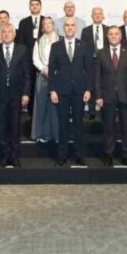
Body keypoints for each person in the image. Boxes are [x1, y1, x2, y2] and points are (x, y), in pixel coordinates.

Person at [47, 18, 92, 167]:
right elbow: (51, 70)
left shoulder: (84, 45)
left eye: (72, 25)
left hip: (79, 91)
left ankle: (80, 155)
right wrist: (52, 90)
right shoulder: (56, 46)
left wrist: (88, 89)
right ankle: (62, 156)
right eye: (67, 25)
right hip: (61, 91)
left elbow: (89, 69)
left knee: (79, 124)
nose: (70, 27)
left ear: (76, 27)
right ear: (63, 28)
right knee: (63, 125)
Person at [94, 26, 127, 166]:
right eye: (111, 34)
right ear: (107, 37)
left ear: (121, 36)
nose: (114, 36)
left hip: (125, 95)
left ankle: (126, 154)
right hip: (107, 95)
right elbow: (97, 77)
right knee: (108, 128)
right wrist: (98, 96)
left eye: (116, 34)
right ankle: (108, 154)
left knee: (126, 127)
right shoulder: (101, 53)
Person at [0, 23, 32, 168]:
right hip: (0, 95)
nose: (6, 34)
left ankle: (15, 156)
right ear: (1, 34)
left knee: (15, 127)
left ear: (14, 34)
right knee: (3, 127)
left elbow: (27, 74)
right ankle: (6, 156)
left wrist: (26, 93)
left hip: (17, 95)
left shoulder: (22, 49)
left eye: (9, 32)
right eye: (4, 32)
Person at [31, 16, 60, 144]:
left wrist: (55, 70)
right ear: (42, 27)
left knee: (56, 107)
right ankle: (42, 134)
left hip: (58, 77)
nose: (47, 25)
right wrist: (43, 69)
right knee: (42, 106)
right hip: (43, 77)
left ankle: (57, 134)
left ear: (53, 25)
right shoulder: (38, 41)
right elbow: (35, 58)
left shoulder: (60, 40)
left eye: (50, 23)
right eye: (45, 24)